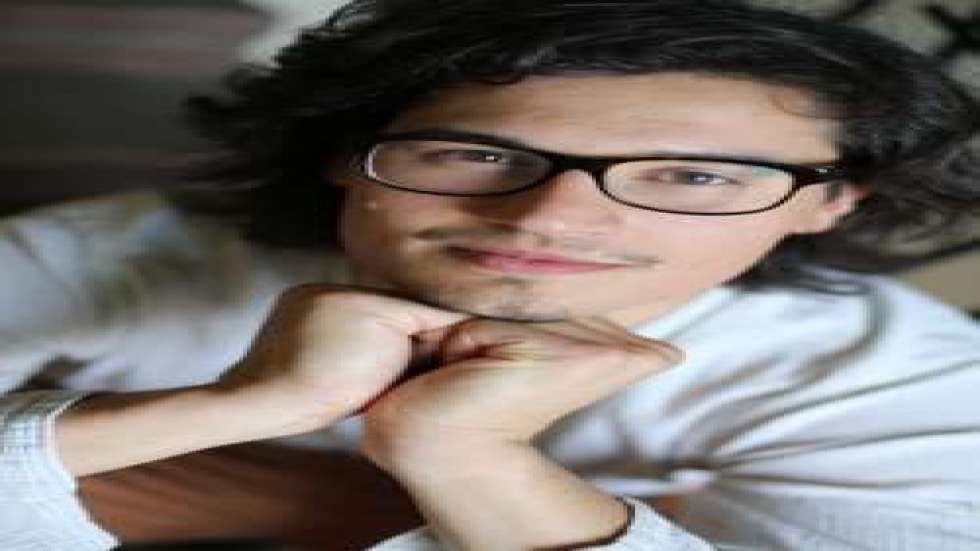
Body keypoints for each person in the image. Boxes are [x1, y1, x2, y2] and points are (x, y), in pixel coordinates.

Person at [2, 0, 979, 549]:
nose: (549, 218)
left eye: (693, 176)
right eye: (473, 153)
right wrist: (244, 406)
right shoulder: (114, 254)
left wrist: (465, 459)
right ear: (343, 155)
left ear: (828, 201)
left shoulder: (919, 381)